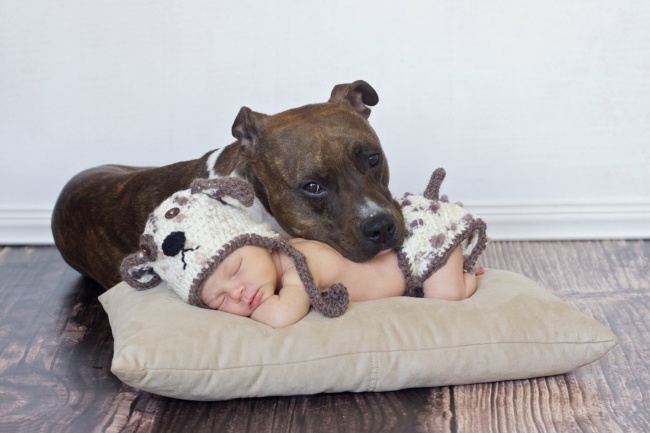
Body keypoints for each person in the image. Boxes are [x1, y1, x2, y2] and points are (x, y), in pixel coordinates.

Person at [121, 169, 487, 328]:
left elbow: (281, 316)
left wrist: (252, 313)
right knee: (433, 290)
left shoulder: (300, 265)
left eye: (235, 271)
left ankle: (467, 278)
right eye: (218, 300)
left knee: (445, 295)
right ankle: (455, 273)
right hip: (406, 268)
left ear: (259, 239)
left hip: (419, 247)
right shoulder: (272, 264)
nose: (238, 292)